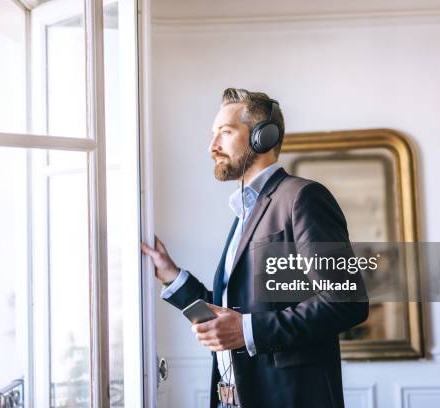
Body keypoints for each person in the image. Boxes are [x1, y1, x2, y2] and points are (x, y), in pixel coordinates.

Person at [141, 88, 369, 408]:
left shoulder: (303, 197)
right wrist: (172, 276)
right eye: (212, 134)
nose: (212, 146)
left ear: (263, 137)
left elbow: (347, 301)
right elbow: (231, 312)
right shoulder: (245, 213)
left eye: (225, 132)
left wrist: (248, 330)